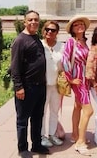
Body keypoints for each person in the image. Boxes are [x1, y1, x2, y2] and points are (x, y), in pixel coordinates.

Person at [10, 10, 49, 158]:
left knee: (37, 118)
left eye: (36, 20)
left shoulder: (35, 38)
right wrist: (19, 87)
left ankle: (37, 145)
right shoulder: (20, 40)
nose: (33, 22)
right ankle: (23, 148)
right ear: (25, 22)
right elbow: (15, 66)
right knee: (22, 120)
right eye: (30, 20)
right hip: (27, 87)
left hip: (40, 86)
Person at [61, 15, 93, 155]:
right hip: (77, 80)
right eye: (76, 25)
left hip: (84, 80)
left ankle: (75, 134)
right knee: (89, 110)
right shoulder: (71, 42)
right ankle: (80, 142)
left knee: (78, 106)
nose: (79, 26)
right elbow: (65, 60)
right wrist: (70, 79)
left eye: (81, 24)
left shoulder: (84, 42)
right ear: (72, 29)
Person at [40, 20, 64, 148]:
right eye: (47, 29)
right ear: (44, 31)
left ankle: (52, 134)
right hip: (42, 84)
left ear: (57, 33)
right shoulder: (39, 45)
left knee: (55, 110)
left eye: (53, 30)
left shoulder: (61, 46)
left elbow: (65, 65)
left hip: (56, 84)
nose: (50, 32)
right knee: (42, 111)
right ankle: (42, 135)